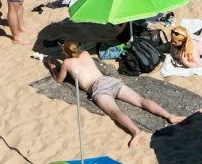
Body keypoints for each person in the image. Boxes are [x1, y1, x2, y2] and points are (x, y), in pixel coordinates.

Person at [49, 41, 181, 147]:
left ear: (65, 52)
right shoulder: (85, 53)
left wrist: (53, 68)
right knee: (141, 101)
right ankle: (170, 116)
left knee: (115, 112)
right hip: (109, 81)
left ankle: (136, 131)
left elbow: (59, 80)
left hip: (98, 89)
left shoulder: (66, 63)